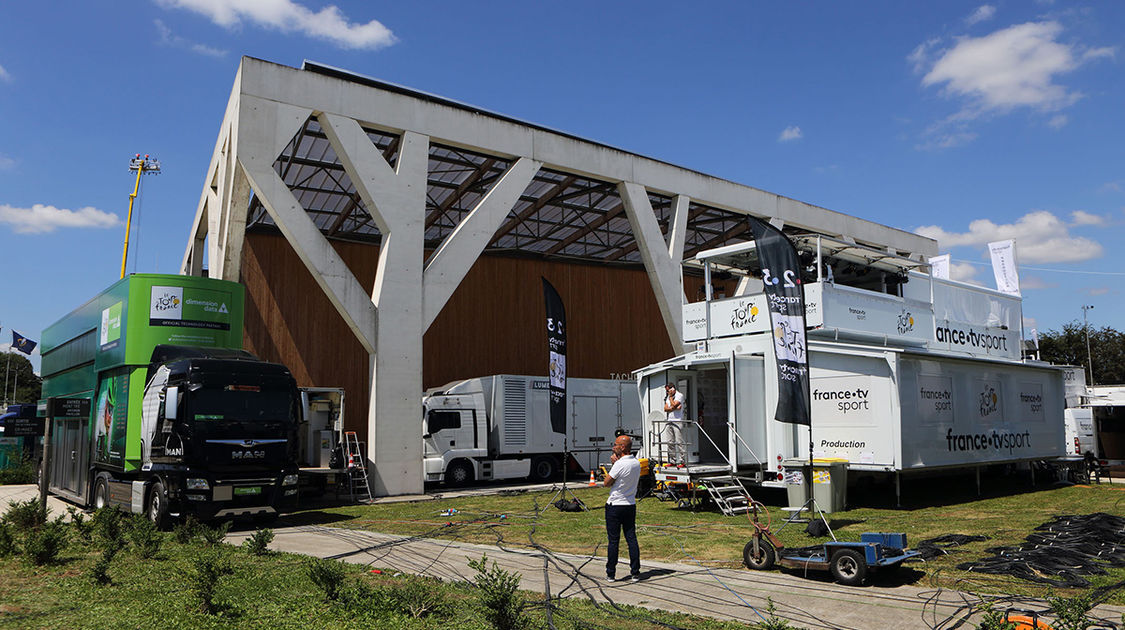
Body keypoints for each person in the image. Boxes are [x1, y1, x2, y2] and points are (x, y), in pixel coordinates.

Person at [603, 434, 641, 583]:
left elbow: (607, 482)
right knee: (631, 537)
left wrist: (614, 465)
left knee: (614, 540)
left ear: (623, 447)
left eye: (616, 445)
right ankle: (635, 572)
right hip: (630, 504)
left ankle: (611, 573)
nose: (614, 447)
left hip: (615, 505)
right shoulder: (636, 462)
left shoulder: (619, 464)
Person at [663, 383, 686, 465]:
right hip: (670, 421)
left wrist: (672, 401)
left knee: (679, 441)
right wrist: (673, 408)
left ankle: (682, 461)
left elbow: (674, 405)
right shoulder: (668, 397)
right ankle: (673, 460)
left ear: (673, 389)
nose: (667, 392)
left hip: (678, 421)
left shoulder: (679, 395)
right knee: (670, 442)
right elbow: (665, 409)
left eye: (668, 390)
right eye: (666, 391)